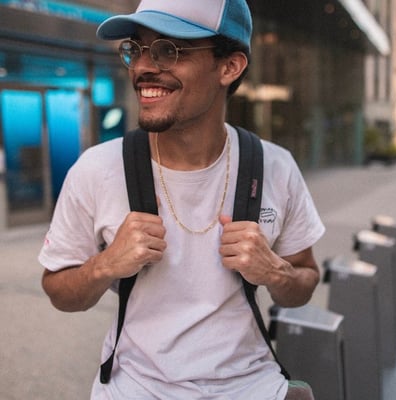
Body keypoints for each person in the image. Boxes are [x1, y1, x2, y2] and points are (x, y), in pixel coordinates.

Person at [39, 1, 325, 399]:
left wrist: (274, 272)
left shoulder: (276, 167)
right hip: (133, 388)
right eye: (136, 49)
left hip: (252, 386)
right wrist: (105, 265)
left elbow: (305, 280)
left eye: (168, 50)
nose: (141, 68)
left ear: (230, 67)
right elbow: (57, 289)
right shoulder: (96, 169)